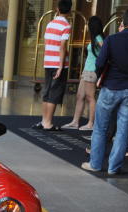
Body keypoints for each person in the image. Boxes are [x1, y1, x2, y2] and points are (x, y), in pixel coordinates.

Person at [82, 6, 128, 175]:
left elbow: (99, 63)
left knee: (100, 128)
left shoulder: (112, 39)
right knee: (123, 131)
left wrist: (101, 77)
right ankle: (114, 167)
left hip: (110, 88)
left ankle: (95, 164)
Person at [33, 0, 72, 131]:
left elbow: (48, 43)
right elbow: (62, 46)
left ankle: (44, 120)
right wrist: (61, 66)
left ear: (57, 9)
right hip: (57, 63)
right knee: (55, 92)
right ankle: (48, 123)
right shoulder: (66, 25)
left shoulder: (50, 24)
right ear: (70, 10)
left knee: (47, 91)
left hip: (48, 61)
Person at [62, 16, 104, 131]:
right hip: (87, 70)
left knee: (90, 97)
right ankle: (75, 122)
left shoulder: (99, 38)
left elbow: (105, 50)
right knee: (80, 96)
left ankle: (91, 123)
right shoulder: (94, 38)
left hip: (92, 71)